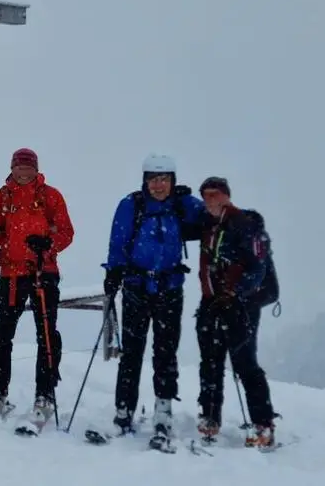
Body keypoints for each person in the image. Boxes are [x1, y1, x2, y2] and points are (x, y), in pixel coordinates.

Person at [101, 154, 204, 444]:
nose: (158, 185)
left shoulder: (182, 205)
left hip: (170, 288)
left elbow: (212, 216)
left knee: (165, 352)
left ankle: (163, 411)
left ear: (173, 180)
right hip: (136, 286)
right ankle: (123, 412)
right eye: (153, 179)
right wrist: (113, 272)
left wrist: (242, 219)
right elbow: (117, 240)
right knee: (131, 354)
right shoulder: (131, 205)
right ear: (145, 181)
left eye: (164, 179)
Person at [0, 148, 75, 430]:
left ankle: (45, 396)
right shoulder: (1, 196)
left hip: (44, 271)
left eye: (28, 168)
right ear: (13, 168)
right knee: (2, 334)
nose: (24, 172)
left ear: (36, 169)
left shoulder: (50, 195)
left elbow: (66, 231)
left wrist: (47, 245)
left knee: (46, 334)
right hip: (11, 273)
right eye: (20, 167)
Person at [194, 176, 277, 448]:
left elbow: (258, 269)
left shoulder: (244, 225)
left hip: (241, 305)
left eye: (215, 194)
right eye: (205, 195)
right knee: (210, 361)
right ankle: (210, 416)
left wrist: (235, 293)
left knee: (244, 363)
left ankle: (263, 424)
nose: (210, 200)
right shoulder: (207, 223)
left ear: (227, 196)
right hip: (212, 301)